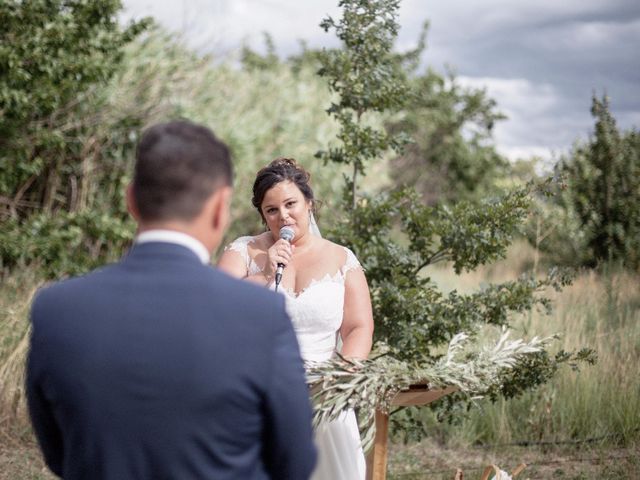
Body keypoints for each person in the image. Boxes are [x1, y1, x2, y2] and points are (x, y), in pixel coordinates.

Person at [26, 121, 317, 480]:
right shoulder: (260, 314)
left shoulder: (56, 310)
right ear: (220, 208)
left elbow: (59, 452)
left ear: (131, 200)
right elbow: (295, 460)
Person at [218, 157, 374, 480]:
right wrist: (264, 273)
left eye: (291, 204)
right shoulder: (244, 253)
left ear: (309, 203)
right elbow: (218, 309)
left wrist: (341, 376)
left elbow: (359, 326)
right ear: (262, 215)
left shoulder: (342, 258)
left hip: (325, 392)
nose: (283, 216)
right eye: (271, 210)